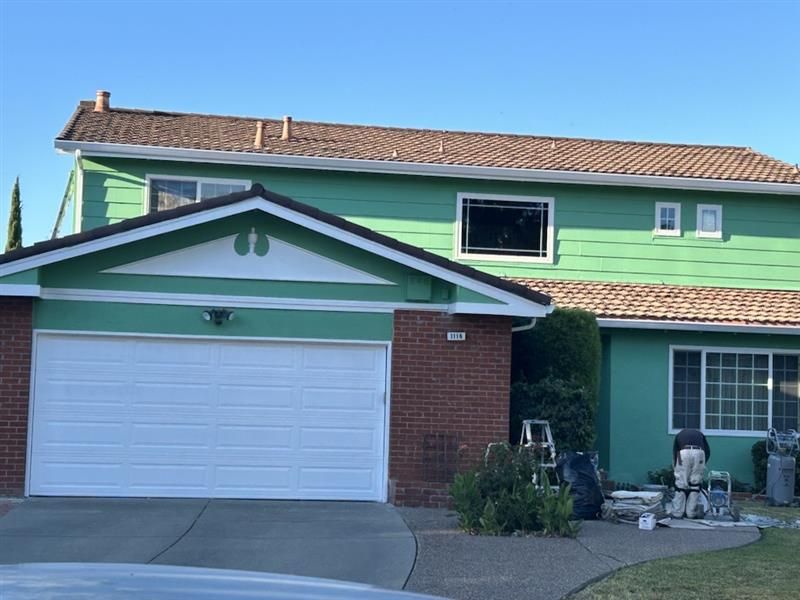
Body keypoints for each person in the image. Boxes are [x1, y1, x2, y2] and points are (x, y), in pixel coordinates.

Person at [671, 428, 711, 519]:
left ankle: (677, 512)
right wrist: (701, 464)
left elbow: (675, 452)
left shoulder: (679, 435)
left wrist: (676, 467)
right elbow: (707, 451)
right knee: (695, 485)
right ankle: (691, 513)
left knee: (680, 485)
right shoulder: (700, 434)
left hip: (683, 453)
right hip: (700, 452)